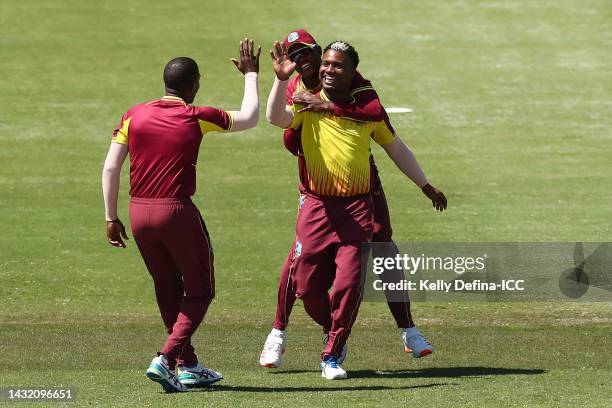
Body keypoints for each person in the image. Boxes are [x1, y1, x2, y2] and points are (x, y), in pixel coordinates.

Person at [266, 40, 447, 380]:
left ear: (352, 73)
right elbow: (277, 119)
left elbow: (394, 146)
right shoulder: (303, 97)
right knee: (307, 284)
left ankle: (334, 353)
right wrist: (277, 81)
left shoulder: (365, 104)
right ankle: (306, 328)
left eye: (336, 65)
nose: (325, 69)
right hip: (317, 204)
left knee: (356, 278)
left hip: (358, 204)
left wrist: (424, 185)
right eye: (326, 65)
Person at [102, 39, 261, 393]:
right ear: (193, 85)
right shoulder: (195, 115)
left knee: (167, 287)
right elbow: (249, 118)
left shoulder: (134, 114)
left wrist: (111, 217)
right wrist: (251, 75)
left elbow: (112, 167)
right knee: (201, 290)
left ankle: (187, 366)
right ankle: (166, 357)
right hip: (175, 211)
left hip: (138, 212)